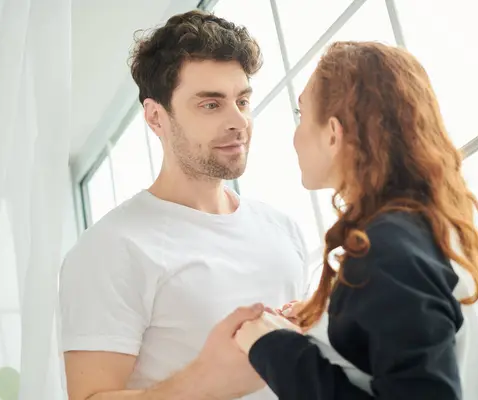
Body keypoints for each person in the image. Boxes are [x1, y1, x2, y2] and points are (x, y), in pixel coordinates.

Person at [233, 41, 478, 399]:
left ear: (333, 133)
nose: (295, 136)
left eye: (301, 115)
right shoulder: (433, 234)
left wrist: (270, 346)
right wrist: (326, 325)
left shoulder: (387, 250)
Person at [59, 10, 308, 400]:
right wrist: (206, 379)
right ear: (156, 117)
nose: (238, 121)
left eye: (242, 100)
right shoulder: (111, 248)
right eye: (211, 105)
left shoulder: (283, 229)